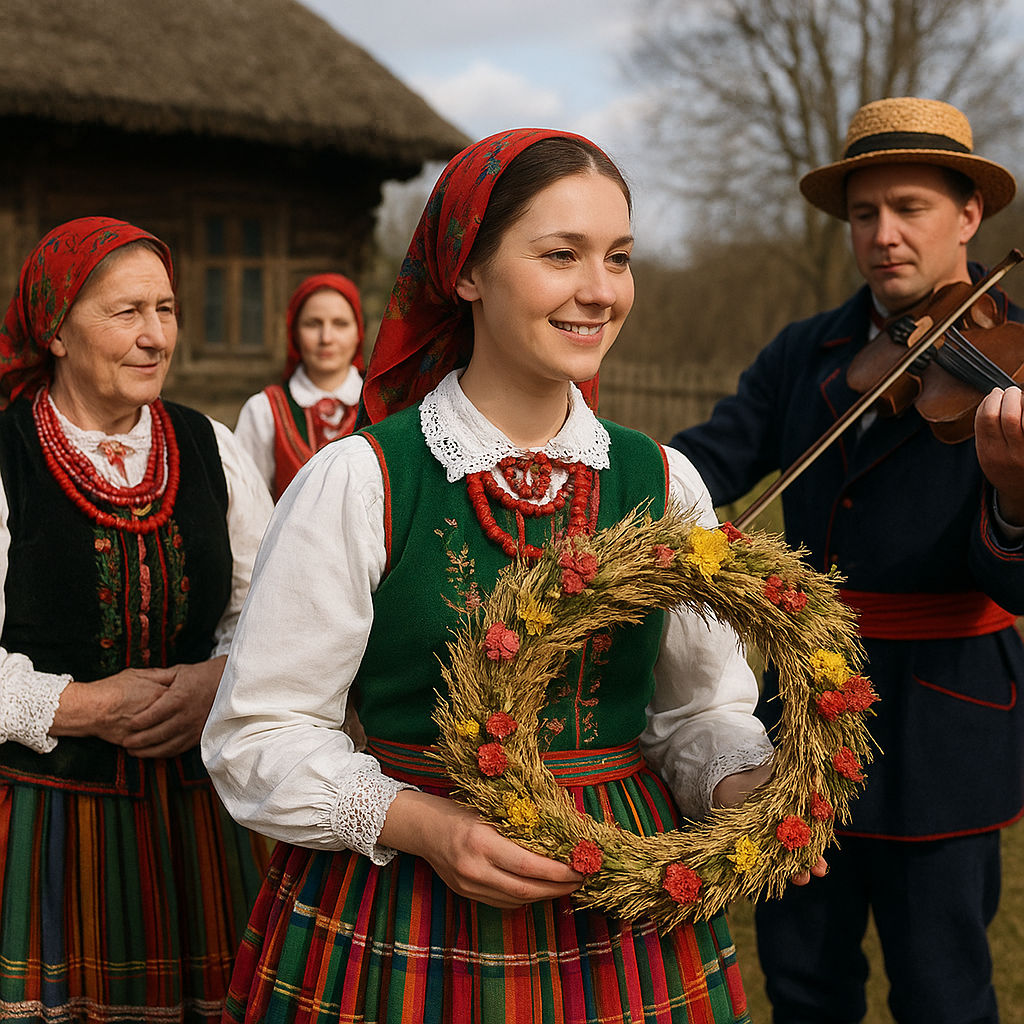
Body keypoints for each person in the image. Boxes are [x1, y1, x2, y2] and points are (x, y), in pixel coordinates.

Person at [202, 129, 782, 1024]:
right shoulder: (361, 479)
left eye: (618, 258)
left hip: (616, 904)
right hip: (409, 907)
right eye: (561, 255)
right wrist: (424, 826)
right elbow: (257, 733)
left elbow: (699, 711)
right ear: (466, 270)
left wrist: (749, 790)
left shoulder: (663, 480)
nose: (600, 290)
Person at [669, 97, 1024, 1024]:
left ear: (969, 215)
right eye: (865, 214)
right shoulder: (807, 351)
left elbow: (1014, 577)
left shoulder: (1015, 364)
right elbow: (707, 460)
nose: (884, 235)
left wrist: (1019, 494)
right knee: (804, 982)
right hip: (802, 715)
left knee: (944, 993)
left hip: (944, 722)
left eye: (910, 207)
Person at [0, 217, 274, 1023]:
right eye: (127, 312)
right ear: (54, 328)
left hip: (202, 826)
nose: (156, 336)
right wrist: (87, 706)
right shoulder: (8, 453)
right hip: (45, 824)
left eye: (167, 308)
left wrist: (215, 683)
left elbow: (271, 610)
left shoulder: (210, 446)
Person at [233, 273, 365, 500]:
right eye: (313, 324)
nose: (326, 337)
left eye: (340, 324)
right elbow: (248, 508)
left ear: (358, 333)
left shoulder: (383, 406)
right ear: (294, 333)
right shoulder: (264, 410)